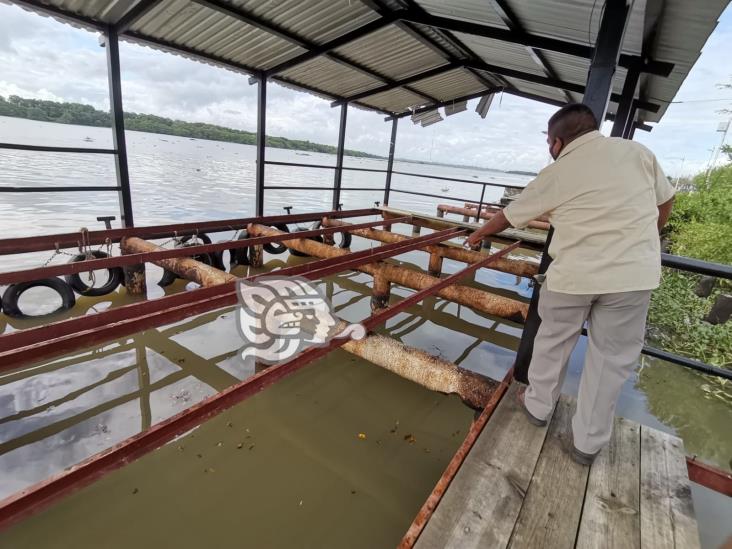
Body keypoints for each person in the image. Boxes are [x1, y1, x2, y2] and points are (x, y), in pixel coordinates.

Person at [465, 103, 675, 464]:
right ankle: (587, 444)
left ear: (557, 142)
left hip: (574, 276)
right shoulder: (638, 153)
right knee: (610, 361)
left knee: (553, 341)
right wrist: (639, 241)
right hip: (632, 276)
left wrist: (476, 236)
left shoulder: (558, 171)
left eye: (549, 142)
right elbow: (666, 200)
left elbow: (509, 216)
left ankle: (538, 408)